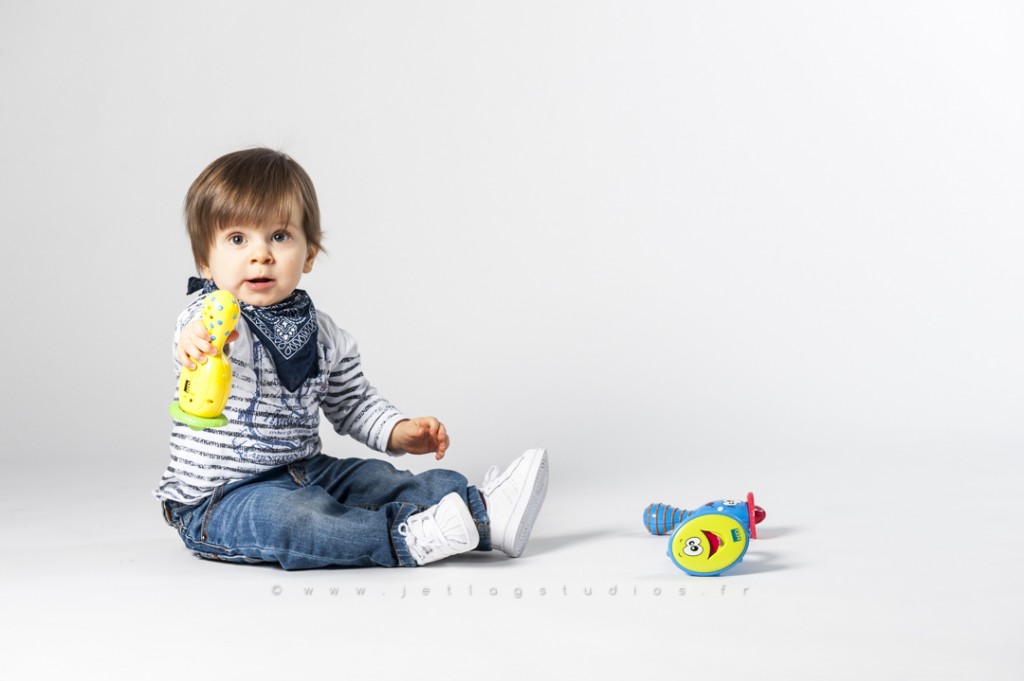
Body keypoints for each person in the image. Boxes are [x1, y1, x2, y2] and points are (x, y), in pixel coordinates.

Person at [154, 147, 548, 569]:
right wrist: (199, 342)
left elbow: (353, 402)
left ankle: (485, 512)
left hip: (303, 469)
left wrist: (397, 430)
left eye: (280, 236)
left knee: (376, 479)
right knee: (297, 519)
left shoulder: (322, 334)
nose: (261, 254)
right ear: (205, 262)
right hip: (220, 498)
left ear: (308, 253)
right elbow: (192, 336)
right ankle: (406, 539)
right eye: (237, 239)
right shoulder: (211, 319)